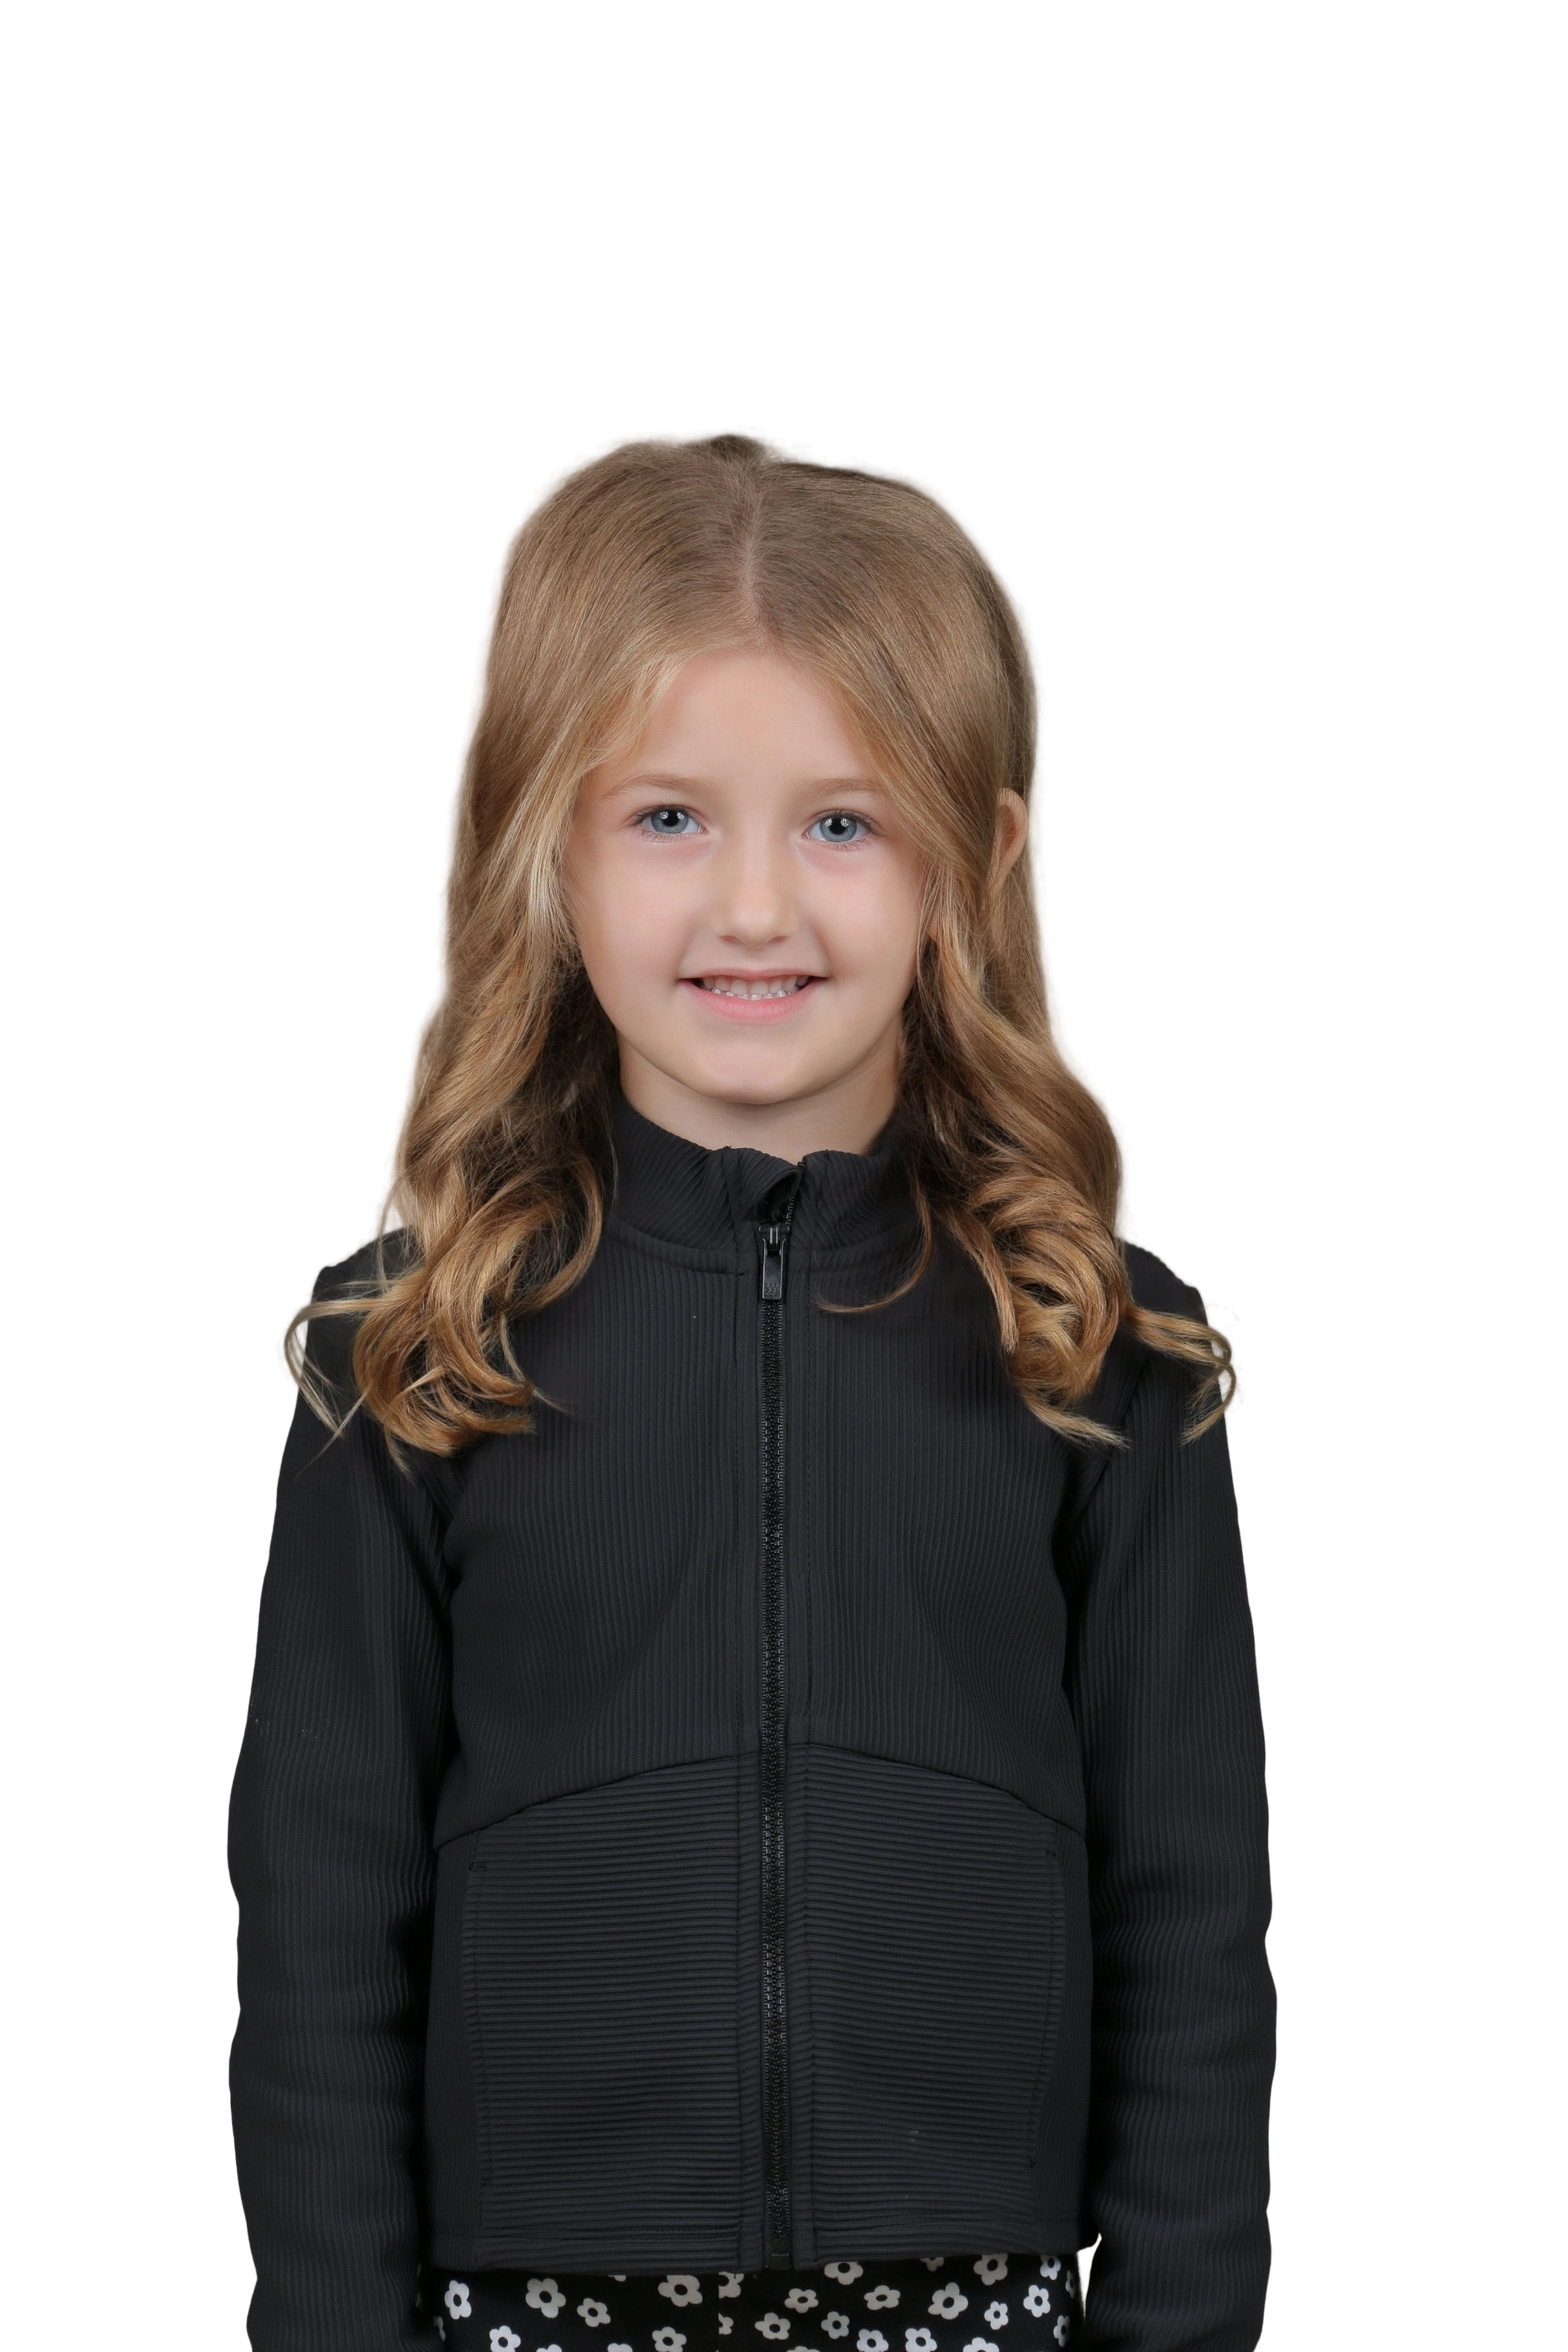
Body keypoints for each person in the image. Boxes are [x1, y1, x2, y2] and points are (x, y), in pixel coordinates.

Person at [225, 424, 1275, 2352]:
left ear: (981, 861)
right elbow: (320, 1926)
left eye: (846, 824)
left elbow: (1192, 1917)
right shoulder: (406, 1354)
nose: (758, 909)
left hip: (978, 2306)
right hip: (529, 2309)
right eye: (668, 818)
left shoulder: (1105, 1350)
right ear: (542, 845)